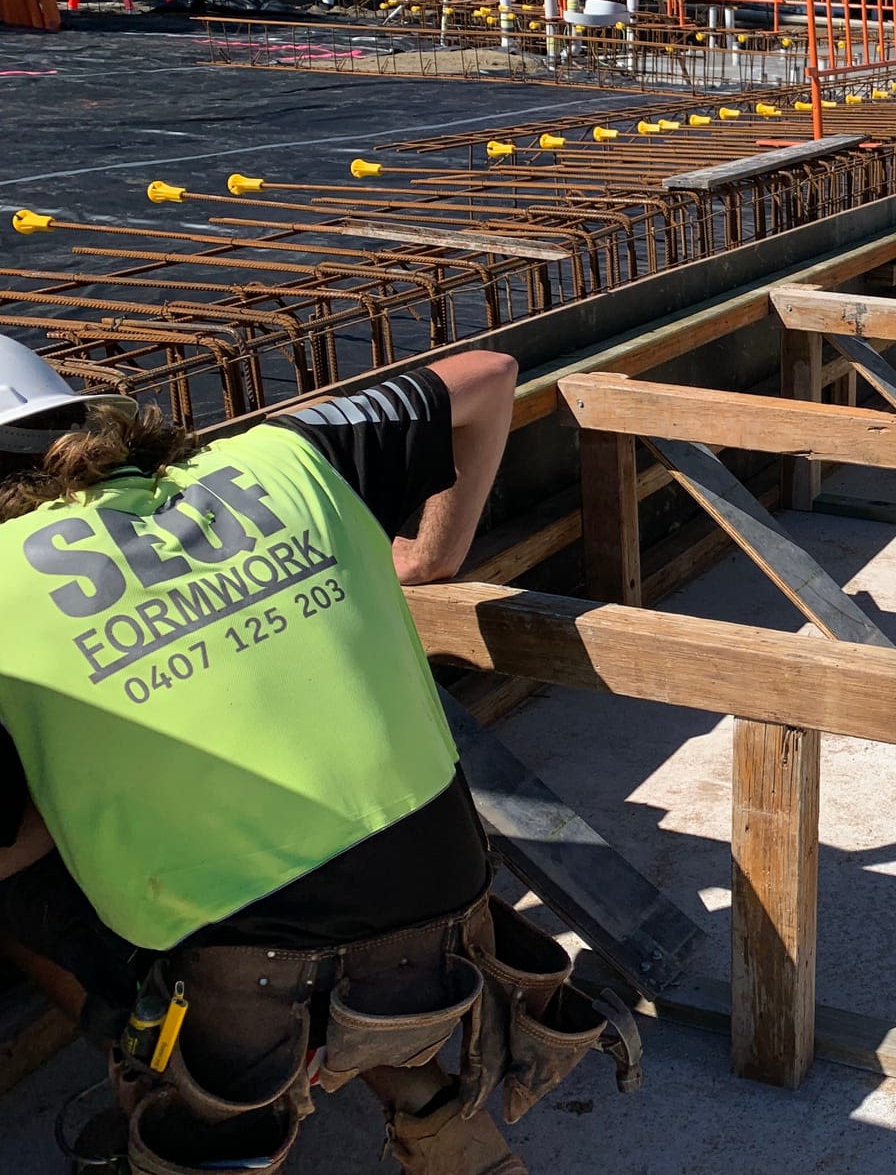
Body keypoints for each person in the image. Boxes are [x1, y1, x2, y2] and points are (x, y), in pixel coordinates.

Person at [0, 338, 621, 1175]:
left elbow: (14, 845)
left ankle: (172, 1093)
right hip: (446, 913)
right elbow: (491, 375)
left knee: (24, 891)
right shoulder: (288, 455)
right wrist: (436, 556)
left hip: (242, 990)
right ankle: (434, 1117)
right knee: (329, 884)